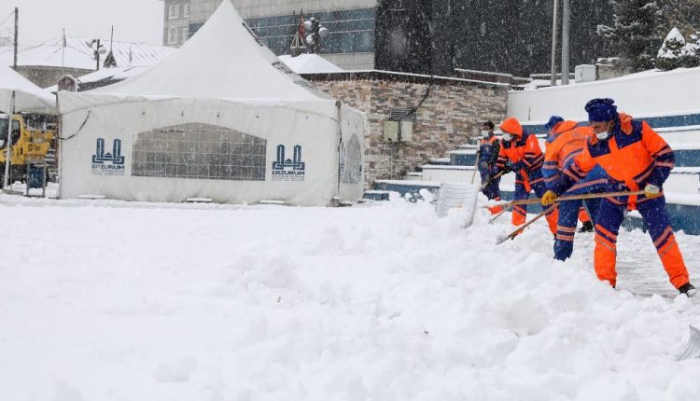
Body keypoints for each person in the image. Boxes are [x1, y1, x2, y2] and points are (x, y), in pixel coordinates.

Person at [542, 98, 696, 296]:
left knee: (662, 236)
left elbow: (665, 155)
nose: (594, 131)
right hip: (617, 192)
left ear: (610, 121)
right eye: (592, 126)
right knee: (604, 236)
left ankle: (682, 282)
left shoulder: (638, 130)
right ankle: (604, 285)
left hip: (647, 191)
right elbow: (577, 169)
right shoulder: (595, 144)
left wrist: (655, 182)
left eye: (598, 126)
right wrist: (555, 190)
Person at [542, 115, 608, 261]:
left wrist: (554, 191)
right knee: (602, 223)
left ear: (552, 129)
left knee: (566, 225)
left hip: (572, 180)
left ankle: (561, 258)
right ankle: (607, 257)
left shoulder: (555, 139)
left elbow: (548, 168)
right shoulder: (585, 127)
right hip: (599, 178)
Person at [493, 117, 558, 235]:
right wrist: (496, 170)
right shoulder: (504, 143)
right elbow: (501, 159)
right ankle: (516, 231)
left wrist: (511, 167)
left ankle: (558, 232)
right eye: (503, 132)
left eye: (506, 132)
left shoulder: (529, 138)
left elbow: (529, 160)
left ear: (514, 132)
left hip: (538, 172)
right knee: (519, 201)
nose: (504, 135)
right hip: (521, 175)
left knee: (546, 201)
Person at [477, 121, 503, 214]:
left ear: (491, 129)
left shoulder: (495, 141)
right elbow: (481, 157)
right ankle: (486, 210)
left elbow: (496, 155)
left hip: (493, 169)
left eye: (486, 128)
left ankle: (496, 209)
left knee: (493, 188)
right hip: (484, 171)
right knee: (485, 189)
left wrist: (490, 164)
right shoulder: (482, 141)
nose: (484, 130)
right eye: (482, 128)